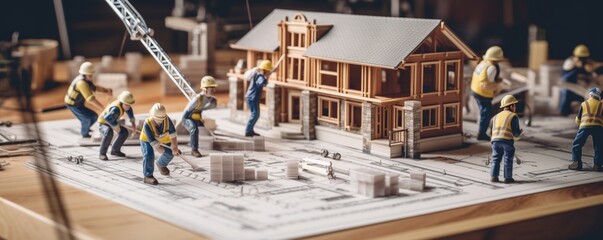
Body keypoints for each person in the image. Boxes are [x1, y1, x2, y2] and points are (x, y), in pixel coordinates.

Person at [64, 62, 112, 138]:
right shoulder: (81, 83)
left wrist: (106, 90)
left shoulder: (87, 80)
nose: (91, 77)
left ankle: (85, 128)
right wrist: (103, 109)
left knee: (93, 116)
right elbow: (91, 99)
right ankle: (84, 134)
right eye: (90, 75)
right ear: (84, 74)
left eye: (92, 75)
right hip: (73, 105)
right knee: (86, 119)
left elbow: (95, 88)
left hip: (79, 103)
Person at [140, 103, 180, 185]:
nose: (159, 122)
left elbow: (173, 133)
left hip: (162, 138)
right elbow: (153, 142)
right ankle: (148, 176)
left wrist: (174, 147)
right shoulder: (147, 124)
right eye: (157, 120)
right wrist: (162, 150)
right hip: (147, 140)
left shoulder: (167, 120)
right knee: (148, 154)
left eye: (161, 120)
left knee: (170, 153)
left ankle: (161, 164)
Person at [471, 46, 504, 141]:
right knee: (486, 114)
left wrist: (496, 80)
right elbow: (485, 85)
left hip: (475, 90)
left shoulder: (483, 63)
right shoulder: (492, 68)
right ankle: (481, 134)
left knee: (484, 112)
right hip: (482, 93)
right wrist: (498, 85)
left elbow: (485, 78)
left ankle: (483, 130)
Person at [181, 76, 217, 157]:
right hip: (187, 117)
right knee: (194, 129)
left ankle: (207, 143)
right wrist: (184, 121)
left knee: (204, 128)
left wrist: (213, 104)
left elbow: (204, 108)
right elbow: (187, 110)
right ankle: (194, 150)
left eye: (214, 89)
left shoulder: (210, 99)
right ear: (205, 89)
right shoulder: (197, 99)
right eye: (211, 89)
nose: (214, 91)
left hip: (196, 116)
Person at [490, 95, 523, 183]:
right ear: (510, 106)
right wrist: (520, 132)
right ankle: (508, 178)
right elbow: (515, 133)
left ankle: (494, 177)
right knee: (508, 159)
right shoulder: (513, 116)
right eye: (514, 105)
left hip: (495, 141)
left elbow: (491, 130)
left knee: (495, 159)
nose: (515, 107)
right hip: (506, 141)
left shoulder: (495, 116)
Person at [568, 87, 602, 171]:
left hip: (584, 127)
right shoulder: (602, 104)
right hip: (598, 127)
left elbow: (578, 119)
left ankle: (576, 163)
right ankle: (597, 165)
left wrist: (578, 121)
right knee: (599, 146)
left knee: (577, 144)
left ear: (590, 95)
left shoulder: (584, 104)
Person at [98, 91, 136, 160]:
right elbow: (107, 118)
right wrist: (116, 126)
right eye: (127, 105)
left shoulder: (125, 106)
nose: (128, 107)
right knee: (108, 132)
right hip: (103, 123)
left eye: (129, 105)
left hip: (112, 121)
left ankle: (115, 150)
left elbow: (130, 112)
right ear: (122, 102)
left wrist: (133, 124)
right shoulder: (115, 109)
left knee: (124, 132)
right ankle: (102, 153)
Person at [558, 44, 596, 116]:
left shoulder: (588, 63)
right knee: (565, 92)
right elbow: (565, 79)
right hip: (570, 88)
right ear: (574, 56)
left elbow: (592, 77)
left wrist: (590, 71)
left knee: (593, 94)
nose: (582, 60)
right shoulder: (569, 63)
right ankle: (563, 111)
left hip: (583, 89)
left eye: (584, 58)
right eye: (580, 58)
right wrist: (576, 68)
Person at [244, 60, 272, 137]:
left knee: (256, 114)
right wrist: (266, 77)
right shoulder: (260, 76)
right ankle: (248, 131)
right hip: (252, 97)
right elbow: (262, 83)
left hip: (252, 97)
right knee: (255, 114)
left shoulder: (259, 75)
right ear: (264, 71)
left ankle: (250, 130)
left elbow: (264, 83)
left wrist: (266, 77)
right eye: (267, 71)